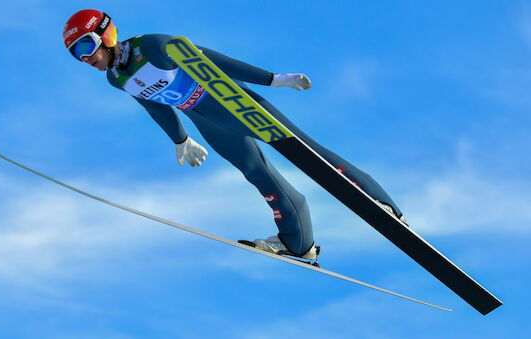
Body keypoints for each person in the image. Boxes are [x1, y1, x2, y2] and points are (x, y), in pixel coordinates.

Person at [62, 9, 406, 261]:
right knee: (260, 175)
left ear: (106, 34)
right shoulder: (116, 79)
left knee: (306, 151)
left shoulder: (151, 46)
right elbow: (153, 105)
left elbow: (209, 60)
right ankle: (298, 242)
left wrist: (272, 79)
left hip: (231, 104)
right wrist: (180, 139)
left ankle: (380, 202)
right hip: (206, 122)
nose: (85, 59)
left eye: (86, 47)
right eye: (77, 54)